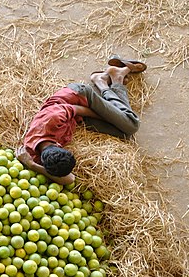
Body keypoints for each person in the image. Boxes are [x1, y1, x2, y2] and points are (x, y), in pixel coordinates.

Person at [15, 56, 146, 185]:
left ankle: (112, 80)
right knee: (124, 134)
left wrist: (108, 115)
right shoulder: (34, 155)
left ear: (59, 146)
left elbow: (77, 109)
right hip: (76, 119)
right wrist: (32, 165)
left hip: (79, 99)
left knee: (131, 124)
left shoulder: (50, 120)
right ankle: (103, 81)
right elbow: (69, 179)